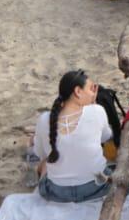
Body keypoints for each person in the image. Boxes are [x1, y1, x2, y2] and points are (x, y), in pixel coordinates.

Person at [33, 70, 113, 202]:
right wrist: (93, 105)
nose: (94, 92)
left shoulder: (44, 119)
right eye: (91, 88)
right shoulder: (97, 111)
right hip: (96, 188)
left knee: (44, 163)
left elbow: (40, 153)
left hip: (57, 193)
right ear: (78, 91)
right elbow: (105, 137)